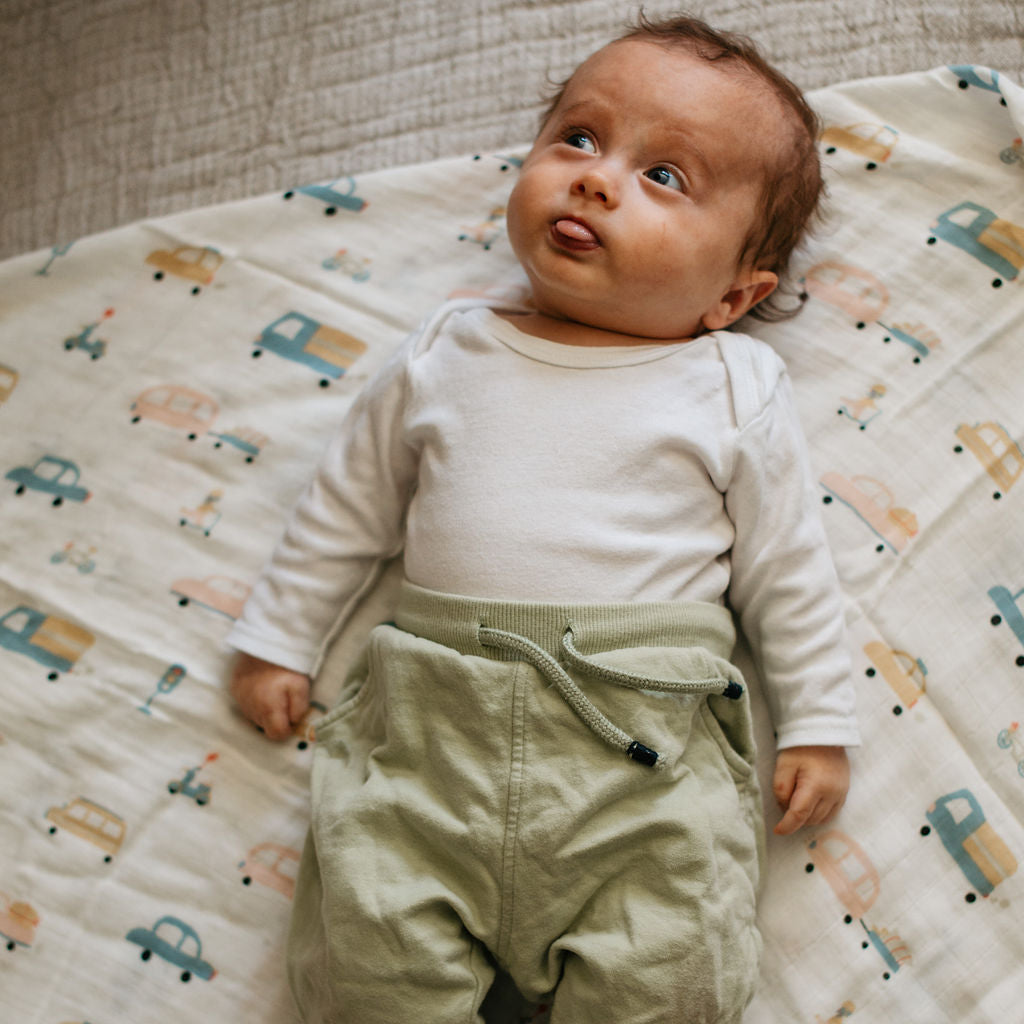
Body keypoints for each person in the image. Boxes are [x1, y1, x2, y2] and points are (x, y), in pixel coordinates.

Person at [227, 13, 859, 1023]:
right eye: (578, 137)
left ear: (734, 294)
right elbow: (348, 507)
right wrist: (278, 637)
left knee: (669, 966)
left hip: (638, 759)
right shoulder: (447, 348)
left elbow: (790, 565)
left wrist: (820, 719)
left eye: (666, 177)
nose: (597, 178)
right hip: (429, 735)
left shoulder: (733, 382)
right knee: (370, 954)